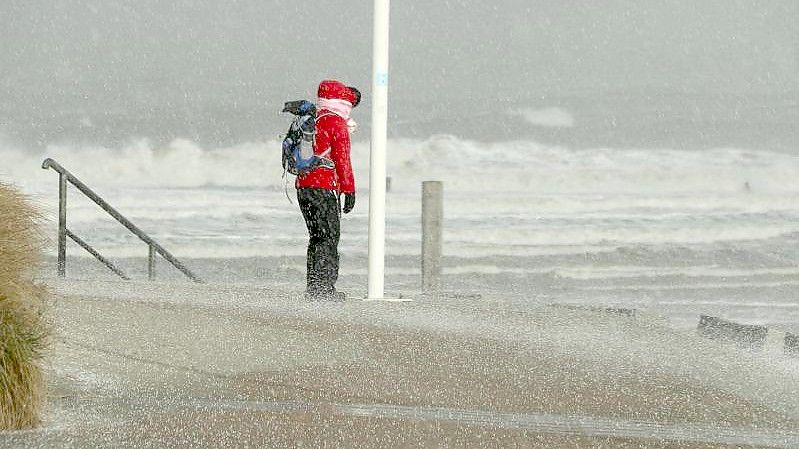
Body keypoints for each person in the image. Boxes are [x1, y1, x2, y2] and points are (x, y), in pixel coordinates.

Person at [296, 79, 360, 301]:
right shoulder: (335, 123)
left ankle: (313, 287)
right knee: (329, 238)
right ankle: (323, 290)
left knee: (316, 238)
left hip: (303, 187)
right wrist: (349, 190)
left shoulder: (313, 119)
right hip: (323, 187)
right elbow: (342, 160)